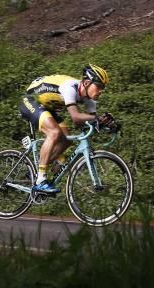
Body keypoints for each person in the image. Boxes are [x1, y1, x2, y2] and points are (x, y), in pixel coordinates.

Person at [19, 64, 113, 194]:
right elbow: (75, 117)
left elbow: (88, 123)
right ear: (86, 82)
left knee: (67, 140)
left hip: (47, 107)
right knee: (54, 133)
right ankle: (40, 180)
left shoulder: (90, 100)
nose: (101, 90)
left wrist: (105, 124)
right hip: (30, 100)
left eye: (103, 87)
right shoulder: (70, 88)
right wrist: (97, 119)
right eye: (99, 86)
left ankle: (38, 169)